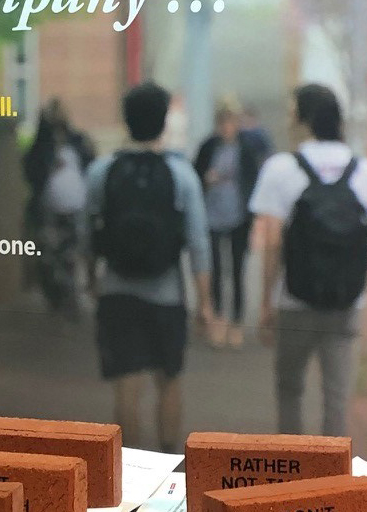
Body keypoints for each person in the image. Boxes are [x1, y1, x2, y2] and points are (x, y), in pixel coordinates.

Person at [250, 83, 367, 437]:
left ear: (303, 120)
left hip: (294, 301)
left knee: (290, 390)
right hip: (347, 305)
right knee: (337, 400)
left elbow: (271, 243)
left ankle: (291, 466)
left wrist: (266, 302)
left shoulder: (281, 169)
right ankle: (332, 469)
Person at [86, 81, 218, 450]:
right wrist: (205, 303)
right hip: (167, 295)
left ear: (126, 121)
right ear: (163, 122)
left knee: (126, 386)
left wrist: (91, 278)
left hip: (117, 292)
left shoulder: (102, 171)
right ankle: (167, 458)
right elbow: (198, 243)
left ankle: (128, 469)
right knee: (169, 381)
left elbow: (87, 233)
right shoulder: (181, 174)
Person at [194, 101, 265, 346]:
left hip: (238, 215)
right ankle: (217, 318)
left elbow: (253, 182)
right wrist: (206, 179)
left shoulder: (246, 149)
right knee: (214, 269)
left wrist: (254, 217)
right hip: (212, 213)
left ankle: (237, 320)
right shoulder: (208, 147)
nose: (226, 128)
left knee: (237, 270)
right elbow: (196, 174)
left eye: (230, 123)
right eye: (222, 124)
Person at [22, 100, 93, 316]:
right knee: (48, 258)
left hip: (75, 211)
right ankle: (55, 298)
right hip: (48, 213)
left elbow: (90, 164)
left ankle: (70, 300)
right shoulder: (41, 147)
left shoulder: (77, 142)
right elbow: (31, 172)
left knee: (71, 256)